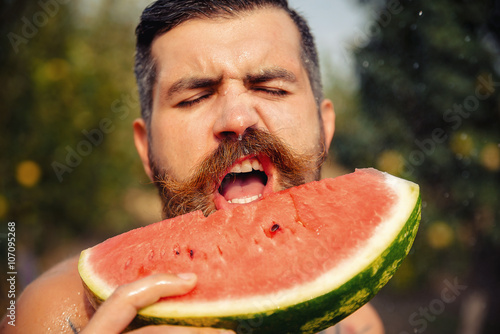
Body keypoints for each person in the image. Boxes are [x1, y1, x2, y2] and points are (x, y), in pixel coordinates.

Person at [1, 1, 384, 333]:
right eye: (194, 97)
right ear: (146, 148)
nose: (236, 117)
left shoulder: (356, 321)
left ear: (325, 127)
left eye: (271, 89)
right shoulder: (50, 316)